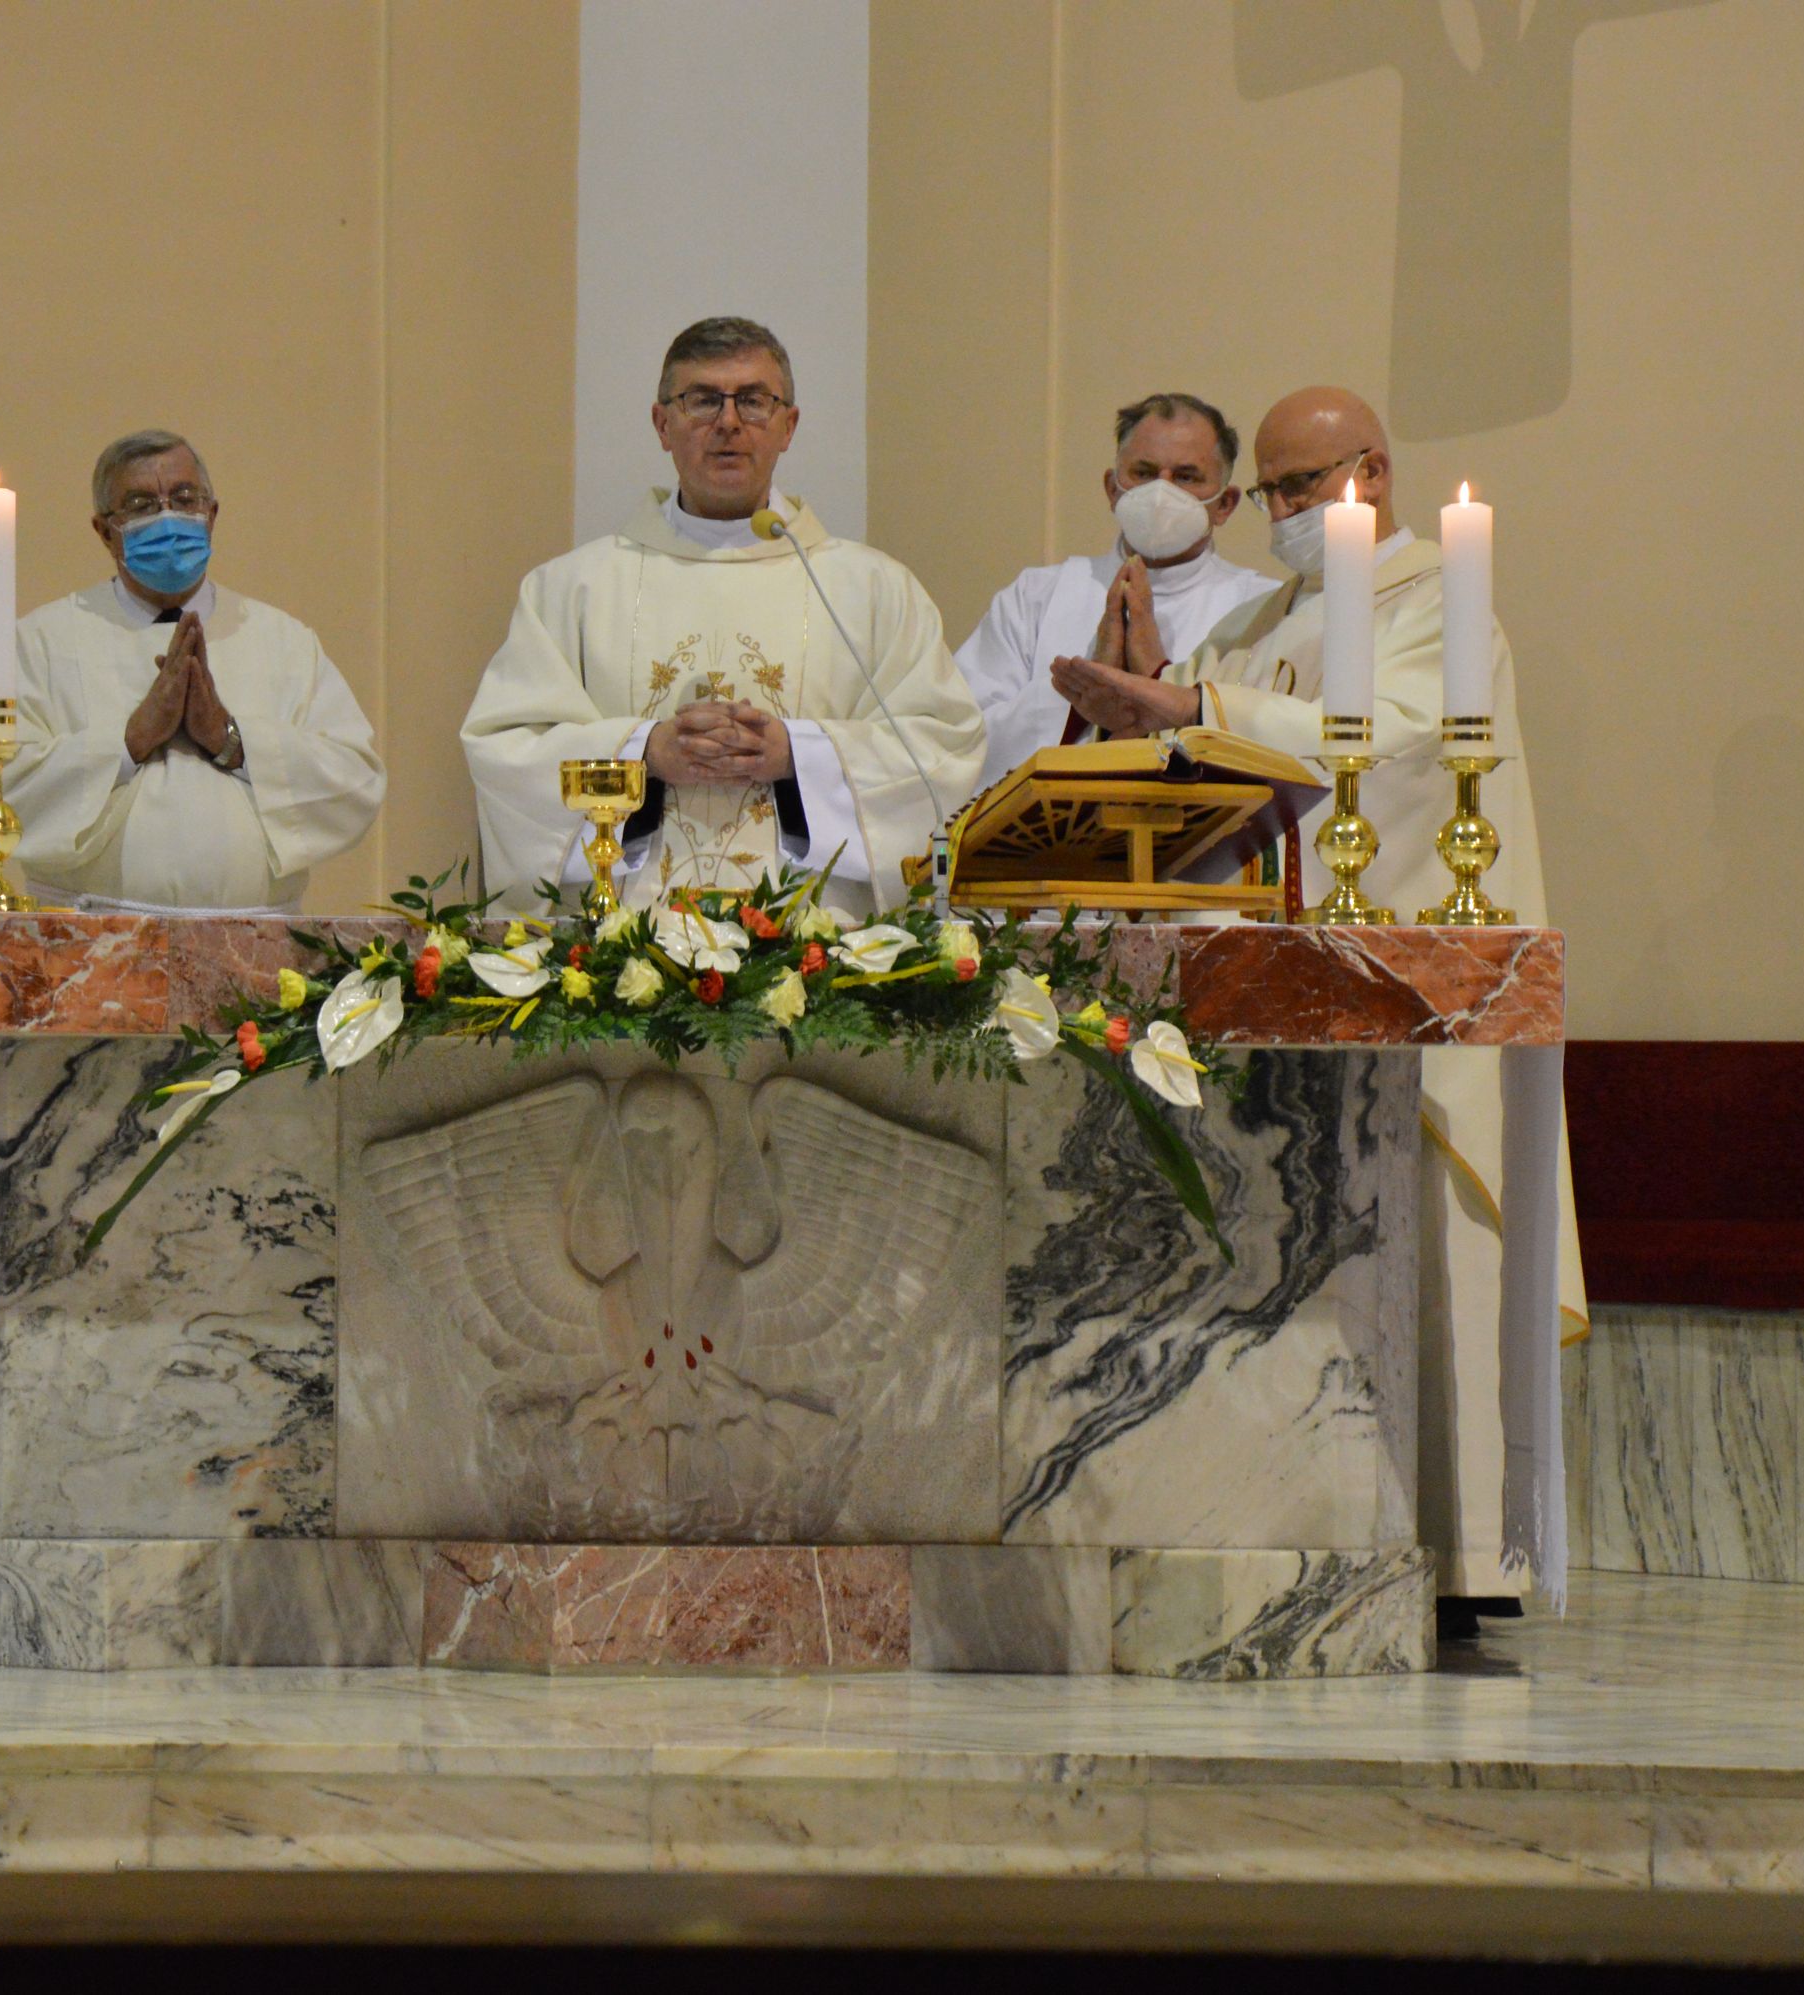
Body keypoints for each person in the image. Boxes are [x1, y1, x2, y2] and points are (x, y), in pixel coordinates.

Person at [1054, 385, 1590, 1623]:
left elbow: (1398, 749)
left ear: (1377, 473)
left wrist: (1198, 710)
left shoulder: (1440, 605)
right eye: (1277, 490)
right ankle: (1284, 1536)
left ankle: (1457, 1557)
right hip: (1265, 1002)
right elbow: (1196, 769)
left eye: (1309, 484)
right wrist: (1145, 692)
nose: (1288, 509)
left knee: (1427, 1242)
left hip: (1406, 1008)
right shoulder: (1257, 621)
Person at [462, 317, 983, 916]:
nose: (729, 422)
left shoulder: (874, 589)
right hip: (619, 945)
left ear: (788, 426)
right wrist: (646, 754)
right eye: (703, 399)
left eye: (754, 401)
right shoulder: (570, 590)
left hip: (817, 947)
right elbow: (506, 752)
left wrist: (795, 755)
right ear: (663, 424)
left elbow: (942, 749)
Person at [9, 429, 384, 911]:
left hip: (253, 934)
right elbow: (3, 788)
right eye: (142, 505)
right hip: (92, 932)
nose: (167, 519)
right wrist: (131, 740)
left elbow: (355, 781)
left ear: (212, 514)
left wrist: (231, 739)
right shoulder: (42, 641)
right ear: (104, 532)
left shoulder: (286, 642)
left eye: (185, 499)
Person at [954, 392, 1276, 778]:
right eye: (1144, 472)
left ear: (1225, 504)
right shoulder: (1036, 596)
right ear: (1112, 488)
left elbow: (1271, 754)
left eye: (1186, 477)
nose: (1161, 493)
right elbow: (961, 741)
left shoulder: (1264, 608)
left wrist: (1158, 678)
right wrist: (1078, 701)